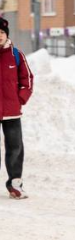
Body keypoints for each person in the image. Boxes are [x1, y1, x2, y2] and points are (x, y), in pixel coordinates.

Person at [0, 17, 33, 200]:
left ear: (7, 35)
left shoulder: (16, 55)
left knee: (15, 147)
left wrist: (21, 98)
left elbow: (27, 79)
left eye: (2, 33)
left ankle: (15, 184)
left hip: (12, 112)